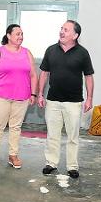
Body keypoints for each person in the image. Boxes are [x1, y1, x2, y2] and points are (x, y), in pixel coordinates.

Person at [37, 20, 94, 178]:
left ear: (75, 35)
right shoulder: (51, 50)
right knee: (52, 134)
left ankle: (72, 166)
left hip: (74, 102)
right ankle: (51, 163)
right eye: (61, 28)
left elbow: (88, 76)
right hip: (53, 100)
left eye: (66, 30)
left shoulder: (83, 53)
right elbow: (44, 73)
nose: (62, 32)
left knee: (72, 136)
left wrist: (89, 98)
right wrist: (40, 94)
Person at [0, 24, 38, 168]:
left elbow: (33, 75)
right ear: (8, 36)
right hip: (1, 95)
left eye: (22, 34)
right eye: (17, 34)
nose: (20, 37)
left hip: (22, 96)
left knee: (16, 127)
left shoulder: (27, 53)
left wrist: (33, 93)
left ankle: (13, 155)